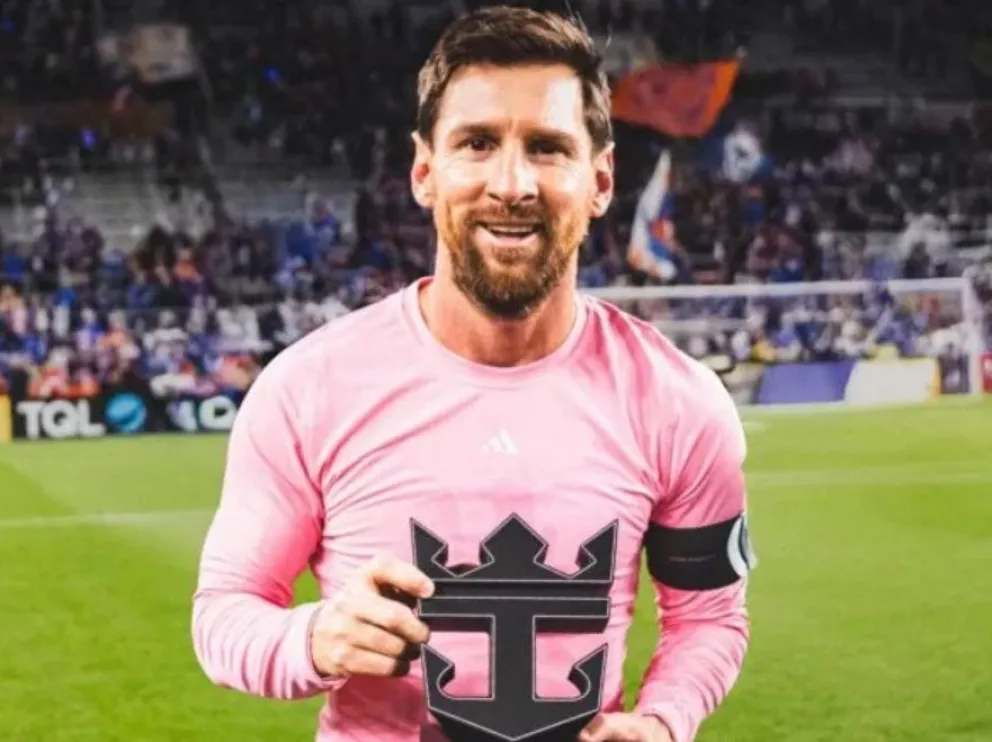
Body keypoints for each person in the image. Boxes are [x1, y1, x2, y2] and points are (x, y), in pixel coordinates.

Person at [191, 6, 756, 742]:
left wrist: (663, 719)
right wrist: (312, 639)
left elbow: (709, 617)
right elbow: (224, 611)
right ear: (425, 171)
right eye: (478, 143)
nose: (511, 184)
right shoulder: (308, 389)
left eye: (548, 147)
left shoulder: (679, 400)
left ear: (600, 180)